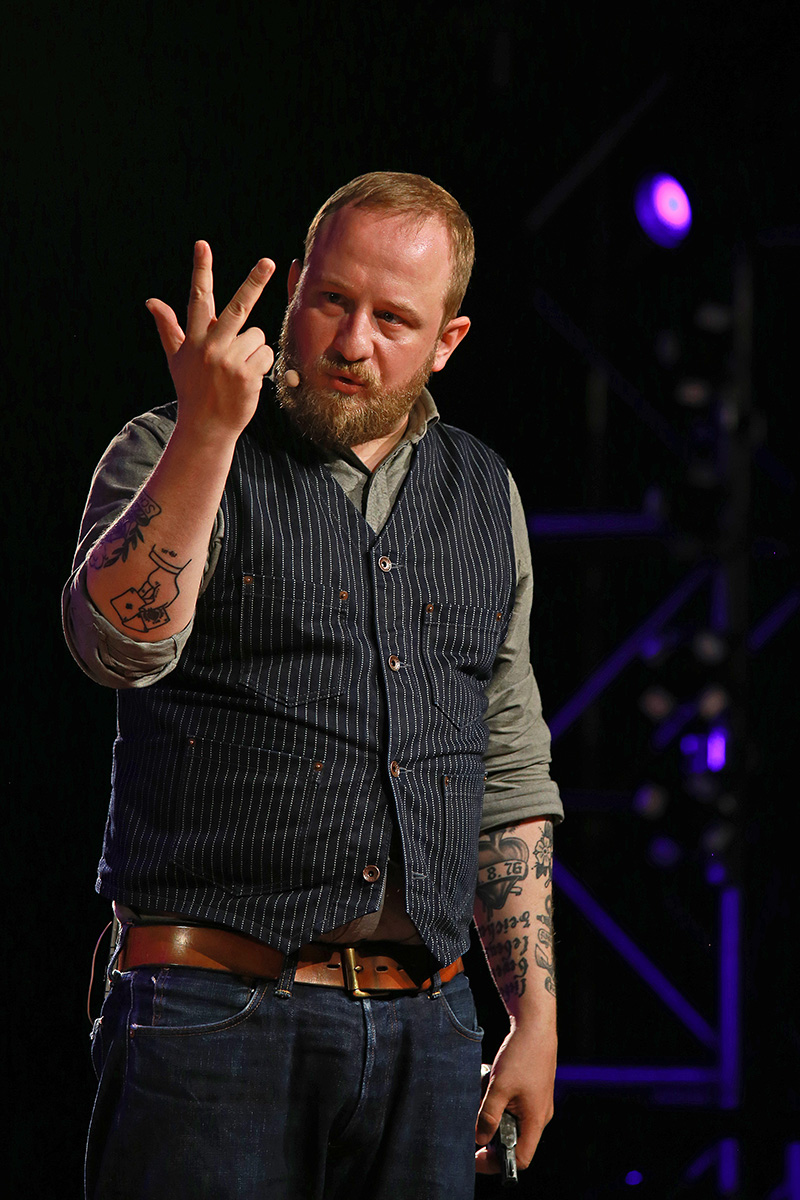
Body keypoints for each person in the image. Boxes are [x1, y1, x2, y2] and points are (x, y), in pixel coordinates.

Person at [63, 171, 563, 1200]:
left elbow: (506, 766)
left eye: (393, 319)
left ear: (447, 341)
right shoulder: (169, 444)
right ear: (293, 289)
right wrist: (208, 431)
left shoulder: (483, 493)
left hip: (427, 1026)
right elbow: (115, 644)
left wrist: (534, 1017)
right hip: (211, 1013)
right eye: (332, 299)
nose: (351, 342)